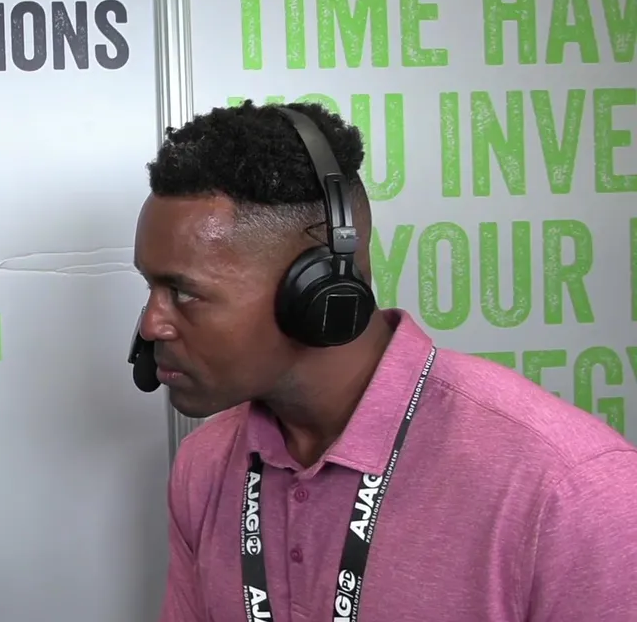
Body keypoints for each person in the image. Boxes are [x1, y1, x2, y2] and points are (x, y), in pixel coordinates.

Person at [135, 100, 637, 621]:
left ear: (320, 289)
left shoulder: (567, 490)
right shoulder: (206, 464)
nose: (151, 325)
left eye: (183, 292)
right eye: (150, 287)